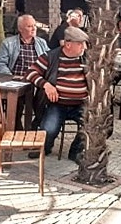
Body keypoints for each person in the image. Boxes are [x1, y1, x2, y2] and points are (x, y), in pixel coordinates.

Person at [25, 26, 89, 158]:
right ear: (68, 44)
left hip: (82, 105)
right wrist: (46, 85)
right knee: (49, 129)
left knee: (94, 125)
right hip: (58, 103)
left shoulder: (87, 59)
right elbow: (30, 73)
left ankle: (76, 151)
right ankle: (45, 148)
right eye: (80, 43)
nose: (84, 47)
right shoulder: (51, 56)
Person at [0, 14, 49, 130]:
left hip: (36, 80)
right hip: (16, 80)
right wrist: (11, 77)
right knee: (16, 100)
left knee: (44, 95)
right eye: (29, 26)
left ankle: (35, 124)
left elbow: (49, 62)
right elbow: (0, 64)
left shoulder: (41, 43)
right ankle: (17, 130)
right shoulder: (8, 43)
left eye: (34, 25)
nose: (34, 28)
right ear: (20, 29)